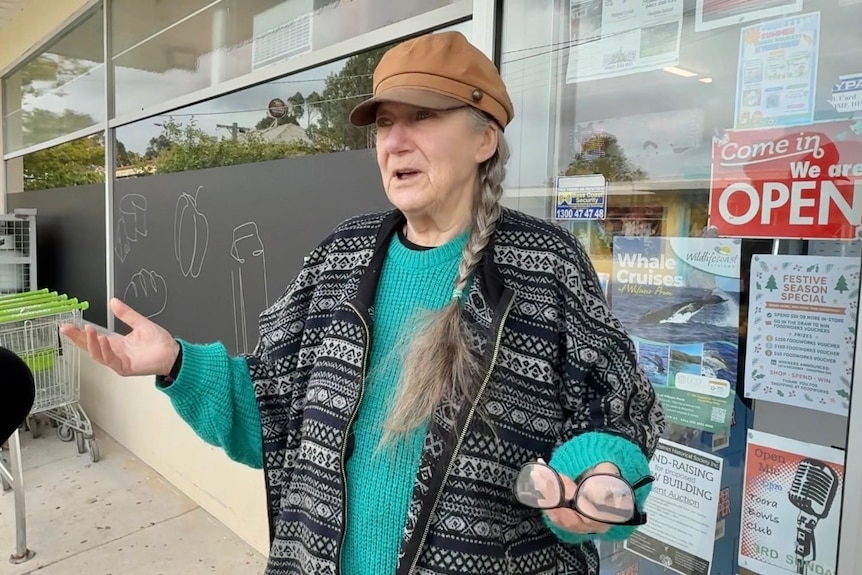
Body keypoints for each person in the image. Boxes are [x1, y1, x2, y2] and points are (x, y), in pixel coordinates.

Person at [62, 31, 664, 575]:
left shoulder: (544, 264)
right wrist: (177, 363)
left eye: (423, 116)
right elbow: (273, 415)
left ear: (485, 138)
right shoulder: (340, 258)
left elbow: (618, 407)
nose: (395, 141)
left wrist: (598, 474)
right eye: (384, 124)